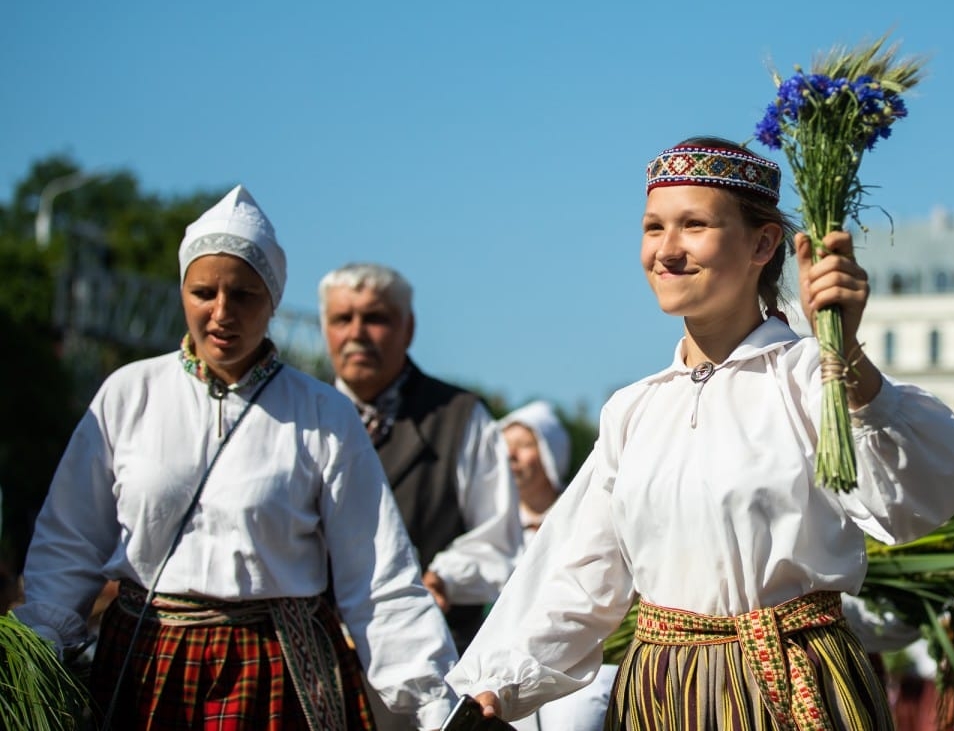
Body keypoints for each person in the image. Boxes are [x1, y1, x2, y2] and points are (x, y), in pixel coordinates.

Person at [444, 136, 954, 730]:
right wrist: (496, 684)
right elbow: (578, 573)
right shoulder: (635, 410)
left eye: (695, 225)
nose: (667, 250)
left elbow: (928, 492)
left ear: (763, 242)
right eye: (653, 228)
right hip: (661, 696)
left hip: (793, 685)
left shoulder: (811, 377)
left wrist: (847, 356)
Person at [13, 186, 458, 730]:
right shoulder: (128, 395)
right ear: (182, 292)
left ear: (272, 299)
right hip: (148, 668)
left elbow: (378, 576)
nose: (221, 313)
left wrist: (433, 698)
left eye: (244, 295)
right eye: (204, 292)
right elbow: (69, 540)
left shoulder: (324, 415)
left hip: (277, 670)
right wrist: (40, 640)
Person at [319, 263, 521, 654]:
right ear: (325, 329)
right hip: (316, 664)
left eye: (376, 318)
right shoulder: (301, 416)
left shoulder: (459, 417)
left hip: (424, 658)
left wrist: (444, 579)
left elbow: (499, 539)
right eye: (343, 319)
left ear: (408, 328)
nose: (357, 333)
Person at [500, 400, 617, 731]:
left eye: (524, 446)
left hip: (575, 677)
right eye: (505, 447)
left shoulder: (585, 519)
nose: (512, 456)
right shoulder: (493, 533)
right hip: (511, 675)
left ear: (551, 451)